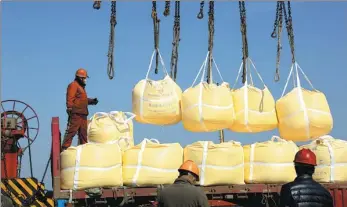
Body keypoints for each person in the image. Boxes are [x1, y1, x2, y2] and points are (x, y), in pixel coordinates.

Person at [61, 68, 98, 151]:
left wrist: (92, 101)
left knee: (83, 134)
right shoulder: (73, 85)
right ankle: (65, 148)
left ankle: (84, 150)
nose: (85, 80)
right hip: (76, 113)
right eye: (84, 78)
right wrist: (69, 108)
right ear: (80, 78)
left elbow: (82, 100)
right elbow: (70, 97)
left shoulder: (81, 88)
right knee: (72, 131)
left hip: (83, 113)